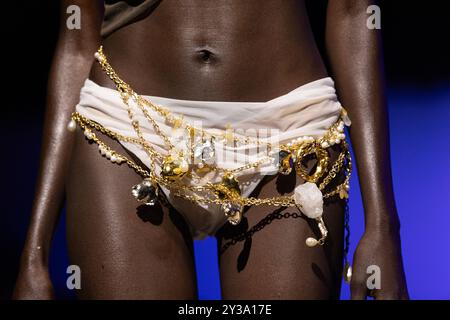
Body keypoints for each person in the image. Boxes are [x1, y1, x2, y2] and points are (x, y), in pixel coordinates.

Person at [13, 0, 408, 299]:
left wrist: (383, 226)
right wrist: (34, 254)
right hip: (127, 127)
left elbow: (355, 10)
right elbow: (77, 38)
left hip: (289, 132)